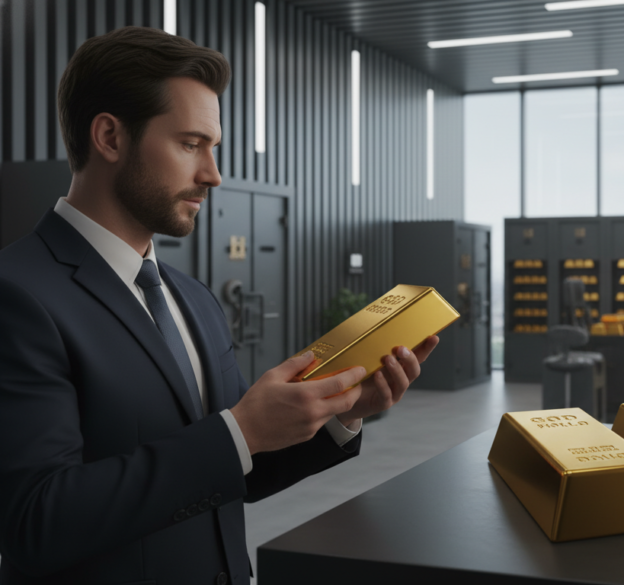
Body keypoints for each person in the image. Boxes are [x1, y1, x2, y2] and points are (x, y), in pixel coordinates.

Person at [0, 26, 439, 585]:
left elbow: (236, 470)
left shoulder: (194, 299)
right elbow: (35, 521)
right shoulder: (16, 294)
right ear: (109, 137)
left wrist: (341, 411)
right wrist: (241, 430)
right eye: (190, 144)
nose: (213, 174)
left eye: (214, 147)